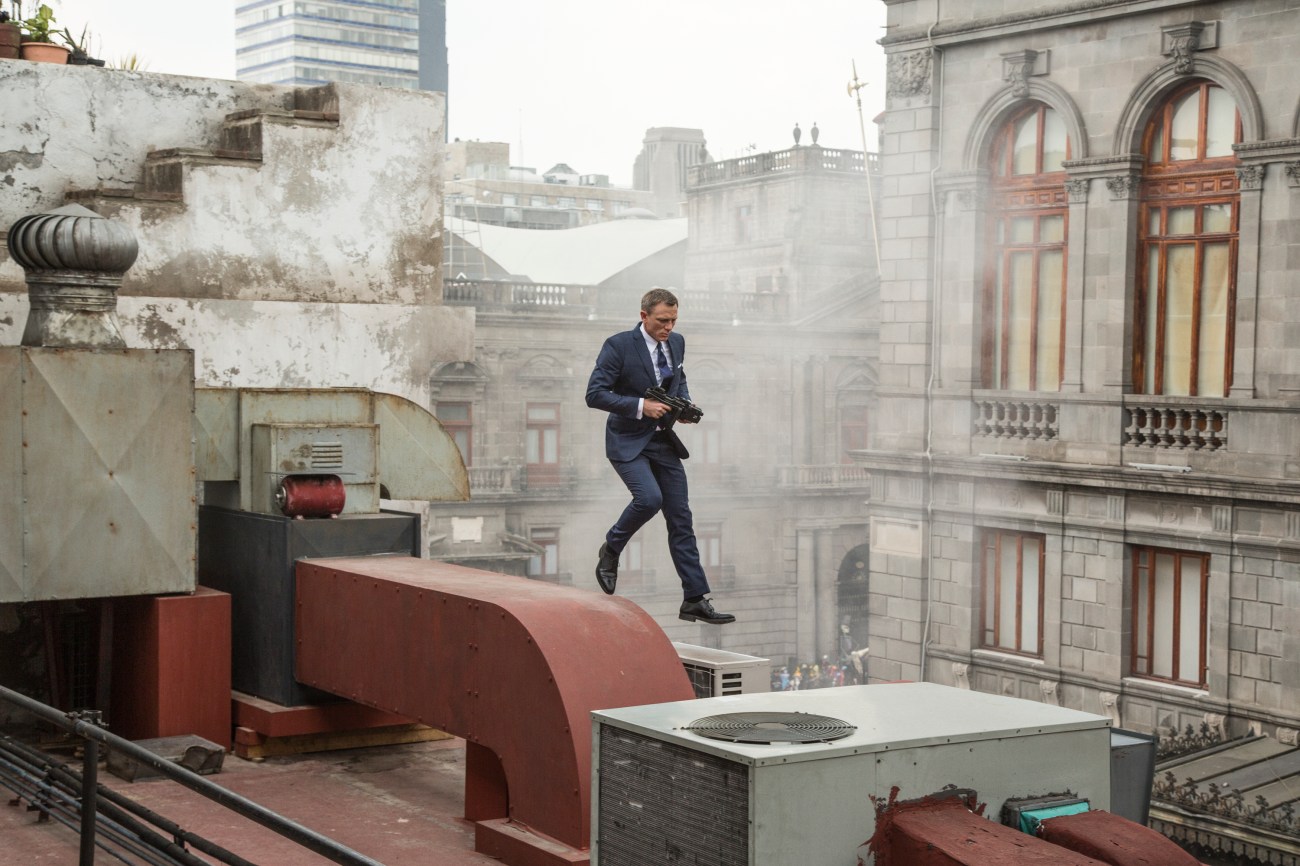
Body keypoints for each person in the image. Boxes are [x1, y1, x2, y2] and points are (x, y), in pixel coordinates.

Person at [585, 287, 735, 625]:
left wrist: (684, 404)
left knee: (681, 518)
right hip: (627, 442)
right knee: (649, 499)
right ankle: (611, 549)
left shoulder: (677, 342)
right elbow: (594, 395)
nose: (668, 327)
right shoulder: (618, 345)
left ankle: (694, 599)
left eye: (673, 321)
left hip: (663, 441)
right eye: (662, 321)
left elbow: (678, 378)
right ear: (644, 316)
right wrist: (642, 406)